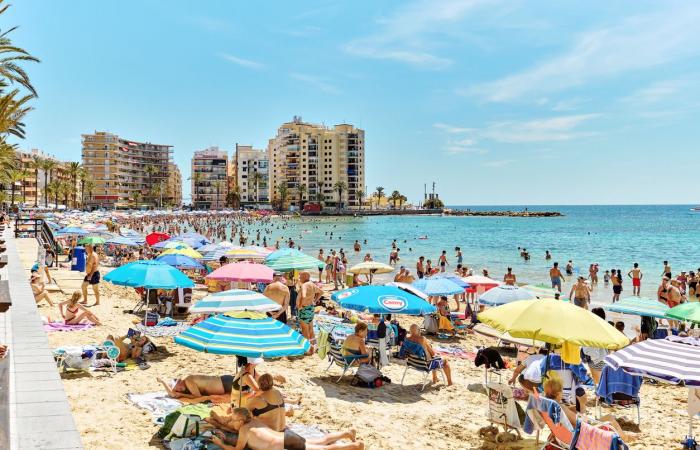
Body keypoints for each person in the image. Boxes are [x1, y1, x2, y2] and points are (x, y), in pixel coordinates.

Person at [211, 407, 363, 450]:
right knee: (320, 441)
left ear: (242, 420)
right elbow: (239, 432)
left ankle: (354, 446)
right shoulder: (254, 421)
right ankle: (347, 433)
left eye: (233, 420)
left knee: (322, 449)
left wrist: (220, 444)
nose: (231, 422)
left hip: (283, 445)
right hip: (287, 437)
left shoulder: (244, 430)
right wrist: (224, 428)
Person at [543, 376, 637, 442]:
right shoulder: (561, 408)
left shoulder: (548, 406)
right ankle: (624, 438)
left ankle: (625, 436)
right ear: (558, 393)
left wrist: (575, 408)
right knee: (610, 419)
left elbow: (567, 418)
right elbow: (579, 423)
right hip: (580, 435)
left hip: (567, 434)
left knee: (609, 418)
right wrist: (582, 405)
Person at [159, 374, 235, 400]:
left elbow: (197, 396)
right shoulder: (186, 385)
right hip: (225, 383)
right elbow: (172, 394)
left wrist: (182, 395)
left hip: (226, 383)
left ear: (180, 381)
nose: (179, 390)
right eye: (177, 390)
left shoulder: (188, 381)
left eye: (177, 387)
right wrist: (163, 382)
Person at [298, 271, 322, 352]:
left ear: (305, 276)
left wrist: (300, 306)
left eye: (300, 276)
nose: (299, 278)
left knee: (305, 330)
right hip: (311, 307)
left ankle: (308, 350)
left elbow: (304, 296)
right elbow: (321, 292)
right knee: (310, 328)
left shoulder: (304, 285)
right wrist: (315, 300)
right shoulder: (312, 284)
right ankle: (313, 347)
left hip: (305, 308)